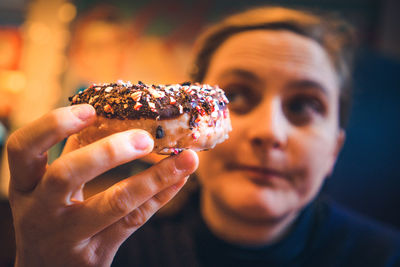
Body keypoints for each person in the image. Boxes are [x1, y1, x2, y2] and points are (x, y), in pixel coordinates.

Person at [5, 6, 400, 267]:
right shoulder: (101, 248)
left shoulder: (383, 256)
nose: (268, 132)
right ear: (187, 130)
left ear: (334, 150)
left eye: (302, 107)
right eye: (239, 96)